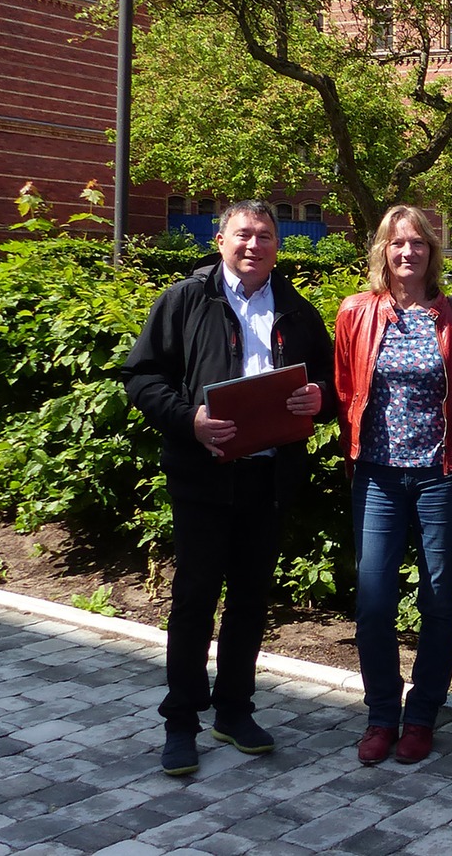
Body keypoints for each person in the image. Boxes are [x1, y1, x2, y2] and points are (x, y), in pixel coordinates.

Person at [123, 199, 335, 777]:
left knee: (249, 599)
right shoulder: (186, 300)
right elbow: (142, 377)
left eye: (265, 236)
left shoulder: (296, 310)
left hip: (268, 478)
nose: (253, 245)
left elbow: (330, 382)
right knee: (194, 599)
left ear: (278, 246)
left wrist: (320, 397)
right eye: (243, 234)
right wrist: (188, 419)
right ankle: (181, 721)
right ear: (220, 241)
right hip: (203, 475)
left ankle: (235, 710)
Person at [334, 205, 452, 766]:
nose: (408, 252)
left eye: (418, 243)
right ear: (382, 251)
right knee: (374, 600)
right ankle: (382, 715)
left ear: (432, 252)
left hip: (442, 476)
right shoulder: (355, 313)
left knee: (438, 599)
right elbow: (345, 393)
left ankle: (423, 715)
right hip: (377, 477)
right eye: (397, 243)